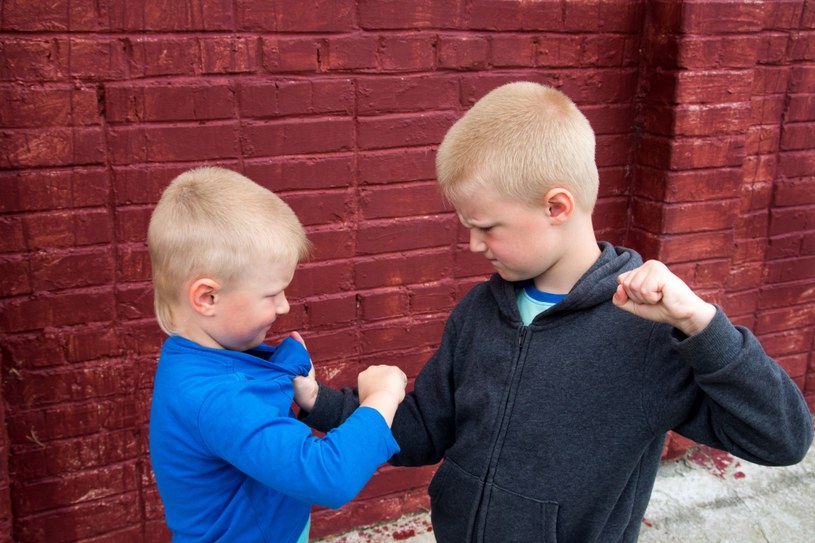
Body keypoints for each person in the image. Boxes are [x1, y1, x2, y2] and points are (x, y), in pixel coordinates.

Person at [296, 82, 814, 542]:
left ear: (557, 207)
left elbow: (783, 438)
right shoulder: (480, 312)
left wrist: (702, 325)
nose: (474, 244)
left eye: (488, 226)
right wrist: (322, 402)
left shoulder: (647, 333)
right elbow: (423, 431)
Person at [147, 166, 407, 543]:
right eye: (271, 294)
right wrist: (382, 398)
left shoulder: (197, 356)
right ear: (208, 298)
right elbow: (328, 476)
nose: (284, 306)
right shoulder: (218, 399)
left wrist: (289, 375)